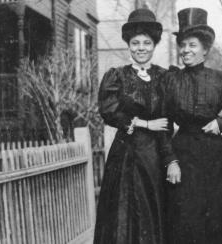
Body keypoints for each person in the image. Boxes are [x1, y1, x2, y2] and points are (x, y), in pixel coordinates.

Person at [165, 8, 222, 244]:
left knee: (218, 216)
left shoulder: (221, 78)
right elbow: (165, 123)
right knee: (184, 217)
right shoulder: (172, 80)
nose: (186, 50)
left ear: (205, 49)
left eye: (192, 45)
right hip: (183, 154)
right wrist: (170, 160)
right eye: (183, 44)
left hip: (214, 155)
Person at [93, 8, 180, 244]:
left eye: (146, 42)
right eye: (135, 43)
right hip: (125, 156)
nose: (141, 48)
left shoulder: (165, 77)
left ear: (154, 45)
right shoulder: (117, 76)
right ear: (128, 45)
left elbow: (171, 116)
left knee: (153, 212)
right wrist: (145, 123)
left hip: (154, 156)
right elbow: (109, 111)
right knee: (124, 214)